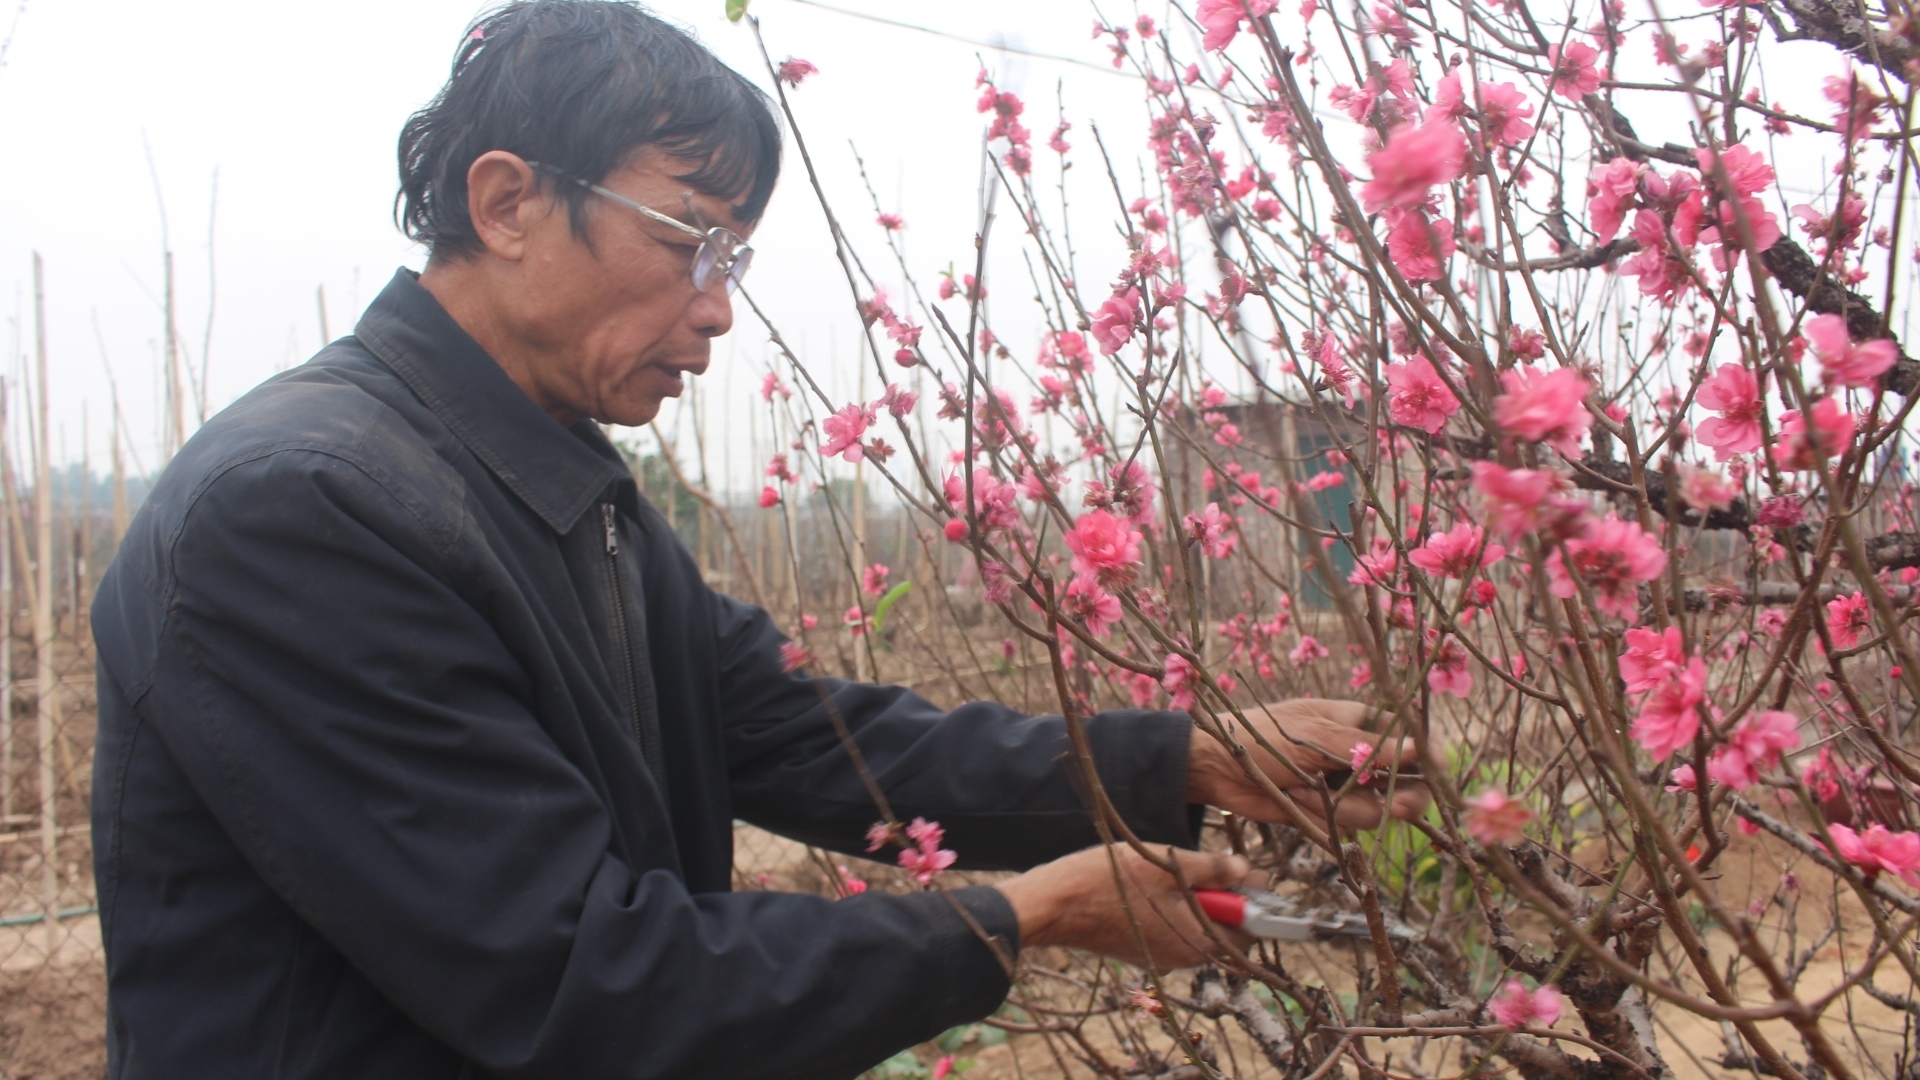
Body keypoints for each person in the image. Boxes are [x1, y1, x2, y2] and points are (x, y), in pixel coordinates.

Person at [89, 3, 1421, 1076]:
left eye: (738, 260)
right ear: (506, 205)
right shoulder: (307, 514)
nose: (721, 311)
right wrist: (1033, 912)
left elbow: (817, 740)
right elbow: (580, 983)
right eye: (693, 244)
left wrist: (1193, 757)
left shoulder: (548, 485)